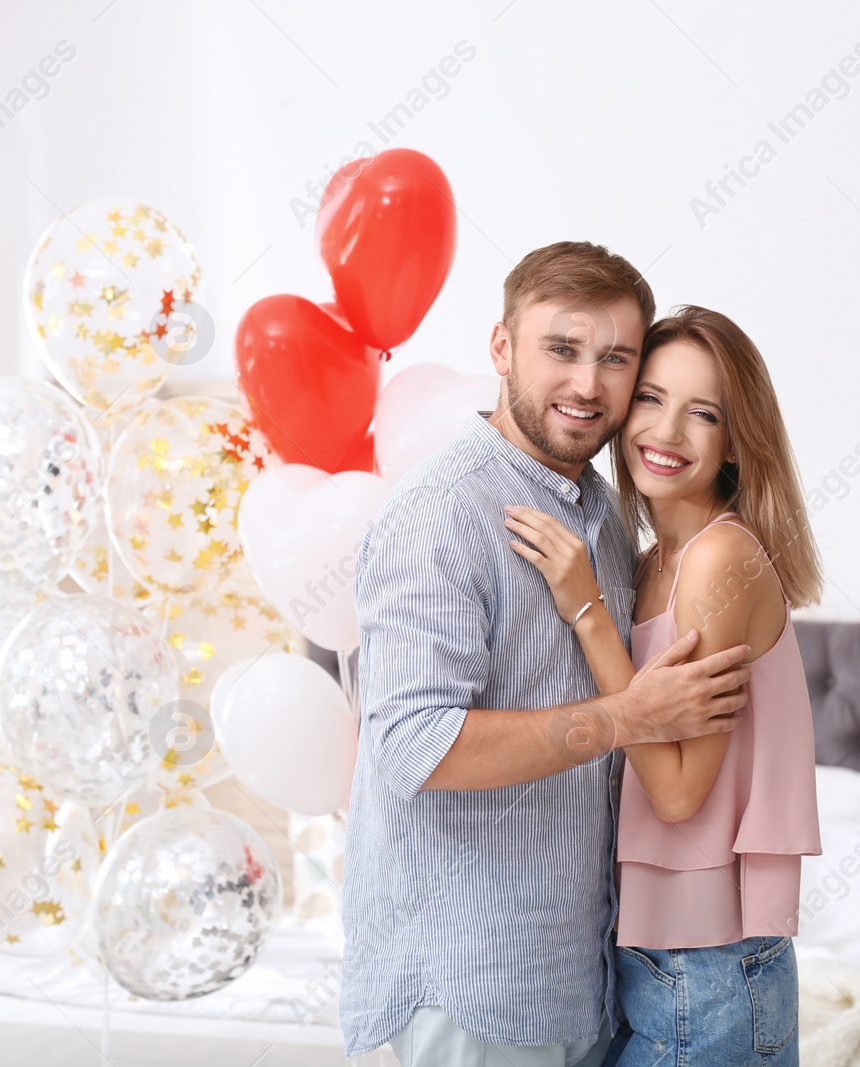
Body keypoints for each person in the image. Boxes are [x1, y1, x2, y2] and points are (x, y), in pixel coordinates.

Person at [339, 243, 754, 1066]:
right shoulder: (441, 514)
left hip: (581, 979)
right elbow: (411, 746)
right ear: (501, 348)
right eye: (561, 349)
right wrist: (625, 716)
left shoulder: (603, 513)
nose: (588, 384)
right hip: (471, 986)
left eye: (615, 359)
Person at [502, 305, 825, 1065]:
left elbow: (679, 795)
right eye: (650, 397)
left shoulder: (722, 561)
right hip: (657, 958)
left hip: (708, 970)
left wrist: (587, 613)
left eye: (703, 413)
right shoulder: (648, 563)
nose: (667, 430)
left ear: (736, 440)